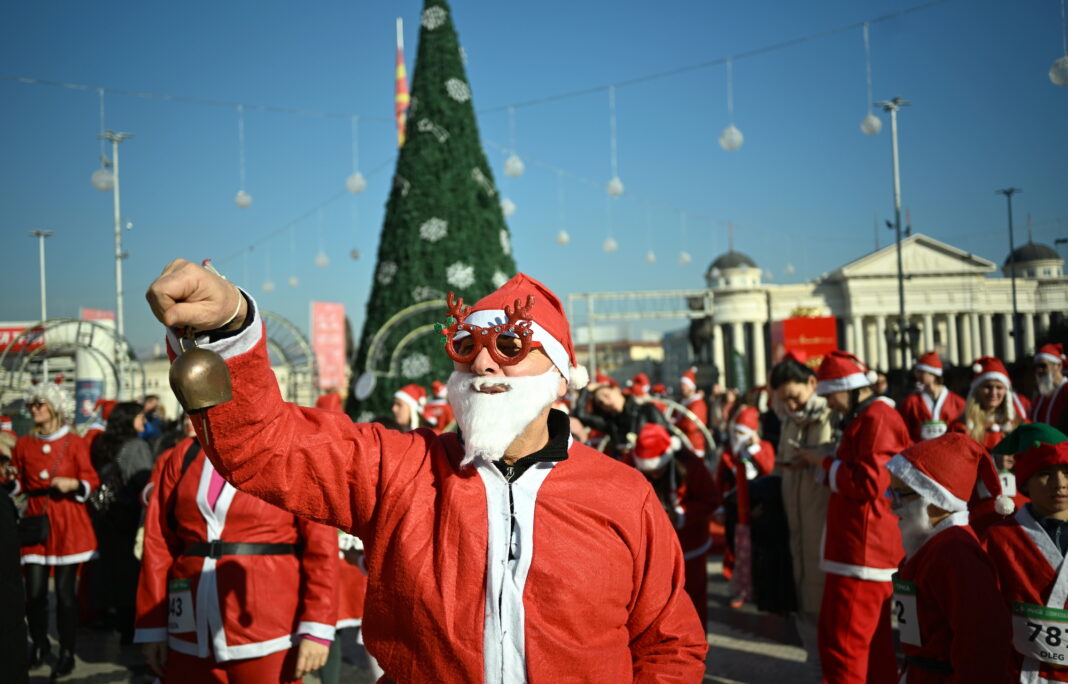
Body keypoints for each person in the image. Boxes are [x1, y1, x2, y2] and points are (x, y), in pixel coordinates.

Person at [145, 263, 708, 682]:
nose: (483, 362)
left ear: (562, 378)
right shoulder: (400, 469)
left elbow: (670, 644)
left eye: (511, 345)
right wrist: (230, 326)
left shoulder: (621, 492)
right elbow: (266, 446)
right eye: (466, 346)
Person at [135, 435, 338, 683]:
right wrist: (152, 627)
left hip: (268, 629)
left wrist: (317, 628)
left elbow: (321, 549)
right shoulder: (182, 455)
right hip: (189, 625)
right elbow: (158, 544)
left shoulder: (291, 451)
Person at [797, 350, 908, 684]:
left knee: (842, 646)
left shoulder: (876, 417)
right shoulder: (870, 416)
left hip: (862, 550)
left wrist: (824, 463)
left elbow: (872, 481)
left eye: (831, 396)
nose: (830, 405)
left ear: (850, 388)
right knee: (871, 647)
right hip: (862, 546)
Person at [884, 433, 1013, 682]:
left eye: (901, 496)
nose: (892, 506)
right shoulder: (931, 544)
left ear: (936, 500)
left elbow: (983, 642)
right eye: (892, 494)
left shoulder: (956, 552)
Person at [5, 383, 98, 677]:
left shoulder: (74, 442)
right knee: (33, 594)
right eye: (32, 405)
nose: (34, 409)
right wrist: (9, 483)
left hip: (68, 521)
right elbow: (18, 482)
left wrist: (74, 484)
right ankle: (41, 643)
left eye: (39, 404)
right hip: (35, 522)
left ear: (55, 407)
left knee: (65, 595)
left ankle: (68, 651)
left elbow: (90, 480)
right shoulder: (23, 444)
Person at [768, 354, 836, 665]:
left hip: (823, 526)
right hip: (795, 526)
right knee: (804, 607)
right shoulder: (787, 423)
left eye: (794, 398)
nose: (791, 406)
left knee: (828, 608)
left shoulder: (831, 418)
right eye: (785, 401)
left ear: (812, 383)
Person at [984, 435, 1068, 682]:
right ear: (1025, 483)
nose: (1059, 484)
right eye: (1046, 474)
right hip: (1018, 671)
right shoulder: (999, 538)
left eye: (1066, 472)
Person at [631, 423, 718, 630]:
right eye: (648, 471)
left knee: (692, 600)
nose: (654, 475)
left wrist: (680, 515)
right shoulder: (631, 463)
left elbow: (711, 500)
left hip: (690, 544)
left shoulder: (691, 465)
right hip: (652, 548)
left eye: (658, 469)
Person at [88, 401, 155, 643]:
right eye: (140, 417)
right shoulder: (136, 446)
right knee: (132, 574)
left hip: (107, 516)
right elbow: (144, 482)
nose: (144, 422)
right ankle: (131, 630)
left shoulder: (103, 444)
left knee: (114, 572)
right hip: (129, 516)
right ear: (129, 419)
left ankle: (117, 621)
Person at [574, 376, 673, 460]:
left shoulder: (646, 410)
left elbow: (667, 438)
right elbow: (580, 415)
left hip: (653, 464)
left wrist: (637, 448)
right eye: (600, 403)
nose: (606, 402)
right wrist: (586, 390)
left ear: (617, 390)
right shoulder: (610, 422)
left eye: (606, 395)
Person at [952, 356, 1026, 450]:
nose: (993, 393)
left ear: (1006, 392)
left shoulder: (1017, 423)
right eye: (988, 387)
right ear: (977, 390)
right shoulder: (962, 426)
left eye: (999, 387)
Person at [898, 352, 965, 443]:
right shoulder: (911, 402)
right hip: (919, 453)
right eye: (917, 372)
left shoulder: (958, 402)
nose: (917, 375)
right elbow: (903, 431)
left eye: (921, 372)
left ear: (933, 374)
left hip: (950, 453)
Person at [1032, 343, 1068, 430]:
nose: (1039, 370)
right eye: (1036, 366)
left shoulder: (1066, 389)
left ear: (1058, 366)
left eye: (1043, 366)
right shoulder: (1041, 395)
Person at [676, 367, 709, 456]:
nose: (682, 388)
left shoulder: (697, 404)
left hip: (694, 445)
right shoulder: (683, 401)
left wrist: (676, 424)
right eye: (681, 385)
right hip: (684, 444)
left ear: (691, 386)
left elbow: (691, 425)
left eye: (685, 385)